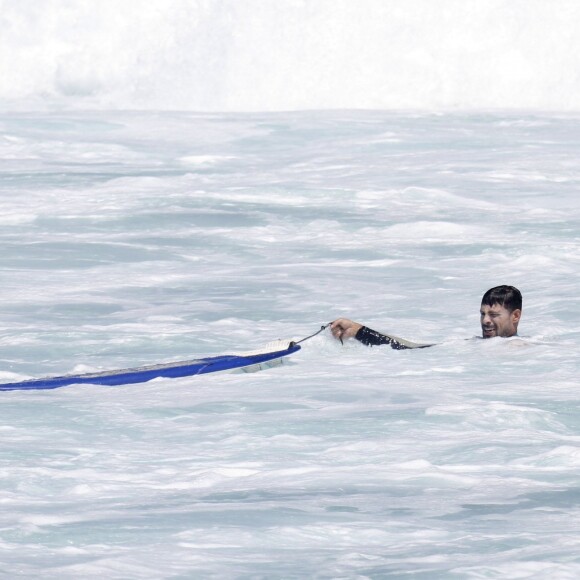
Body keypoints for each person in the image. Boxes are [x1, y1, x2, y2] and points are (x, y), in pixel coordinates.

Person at [330, 285, 522, 350]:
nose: (486, 321)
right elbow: (411, 349)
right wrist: (359, 331)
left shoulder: (524, 350)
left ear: (515, 316)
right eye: (482, 314)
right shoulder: (472, 344)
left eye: (494, 315)